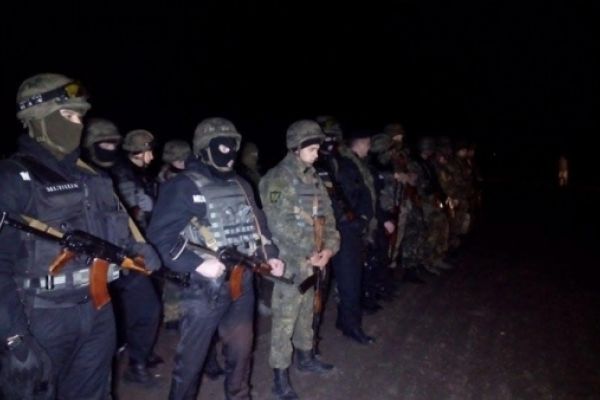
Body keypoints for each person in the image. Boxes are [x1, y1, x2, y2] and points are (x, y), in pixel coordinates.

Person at [0, 73, 160, 399]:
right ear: (40, 118)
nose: (78, 125)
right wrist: (13, 336)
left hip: (97, 307)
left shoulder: (93, 177)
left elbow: (114, 232)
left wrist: (137, 248)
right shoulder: (14, 177)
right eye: (69, 116)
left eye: (80, 118)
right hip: (40, 315)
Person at [147, 117, 284, 400]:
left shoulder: (241, 184)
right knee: (191, 360)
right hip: (203, 288)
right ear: (204, 148)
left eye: (233, 145)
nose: (229, 152)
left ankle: (239, 395)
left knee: (241, 350)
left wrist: (270, 255)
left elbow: (259, 226)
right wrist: (197, 264)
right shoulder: (183, 186)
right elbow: (159, 238)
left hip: (242, 282)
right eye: (221, 146)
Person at [260, 119, 340, 400]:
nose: (317, 154)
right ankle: (279, 377)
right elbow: (278, 224)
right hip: (291, 262)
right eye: (312, 149)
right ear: (296, 147)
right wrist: (311, 252)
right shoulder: (277, 178)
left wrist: (329, 249)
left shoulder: (313, 177)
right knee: (285, 321)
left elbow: (329, 217)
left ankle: (306, 357)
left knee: (308, 313)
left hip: (315, 260)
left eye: (318, 149)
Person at [82, 120, 164, 386]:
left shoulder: (128, 173)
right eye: (104, 144)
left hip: (129, 253)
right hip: (97, 261)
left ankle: (138, 359)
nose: (109, 149)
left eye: (113, 144)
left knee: (146, 308)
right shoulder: (98, 174)